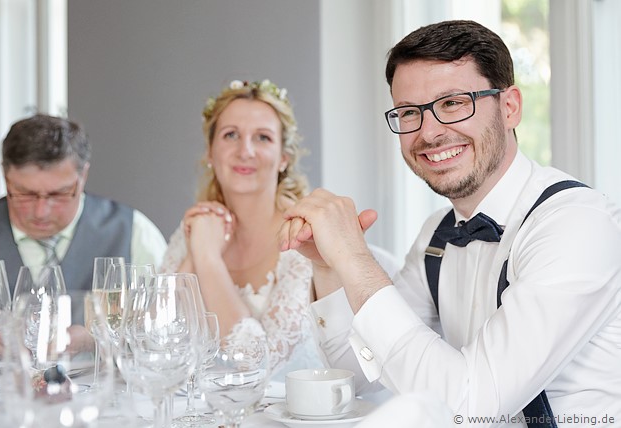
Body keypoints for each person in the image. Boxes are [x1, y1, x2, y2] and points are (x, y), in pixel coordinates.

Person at [280, 20, 621, 427]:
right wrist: (328, 265)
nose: (429, 132)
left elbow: (471, 402)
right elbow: (356, 373)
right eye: (409, 112)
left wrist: (356, 257)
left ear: (509, 107)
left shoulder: (577, 225)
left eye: (453, 103)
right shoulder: (437, 233)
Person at [160, 79, 400, 380]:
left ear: (283, 157)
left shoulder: (302, 238)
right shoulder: (194, 230)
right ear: (210, 152)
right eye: (230, 135)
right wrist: (192, 255)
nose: (245, 151)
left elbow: (258, 365)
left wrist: (207, 260)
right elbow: (153, 344)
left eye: (262, 138)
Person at [0, 114, 168, 353]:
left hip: (105, 388)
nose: (41, 211)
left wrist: (94, 339)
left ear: (83, 176)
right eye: (24, 193)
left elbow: (165, 326)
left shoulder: (133, 231)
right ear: (5, 176)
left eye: (58, 194)